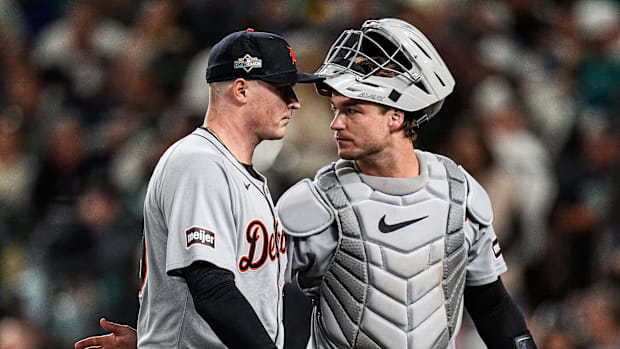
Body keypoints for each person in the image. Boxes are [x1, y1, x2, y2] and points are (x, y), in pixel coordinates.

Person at [76, 19, 537, 349]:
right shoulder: (309, 202)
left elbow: (493, 305)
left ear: (397, 115)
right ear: (240, 89)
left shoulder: (460, 192)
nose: (329, 121)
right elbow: (219, 289)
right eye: (334, 107)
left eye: (351, 109)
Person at [74, 28, 321, 349]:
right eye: (282, 88)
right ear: (242, 90)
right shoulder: (198, 163)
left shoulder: (240, 174)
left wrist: (153, 339)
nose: (294, 102)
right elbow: (210, 287)